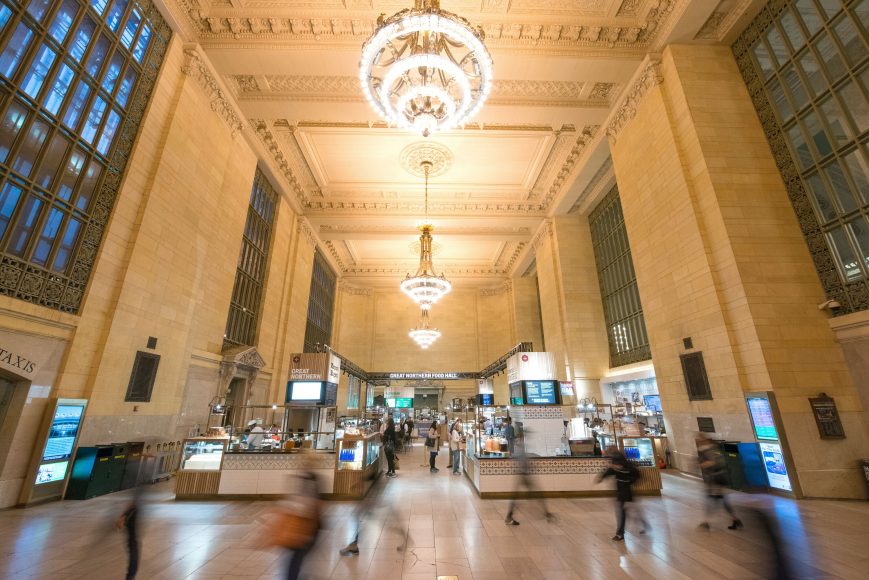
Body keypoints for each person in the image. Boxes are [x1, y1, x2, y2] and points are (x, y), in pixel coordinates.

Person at [596, 448, 648, 541]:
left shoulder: (627, 466)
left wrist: (628, 481)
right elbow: (609, 471)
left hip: (627, 491)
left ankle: (621, 533)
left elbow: (634, 475)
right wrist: (601, 477)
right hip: (621, 490)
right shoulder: (617, 464)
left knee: (626, 511)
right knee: (626, 511)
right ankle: (623, 532)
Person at [505, 432, 554, 526]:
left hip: (522, 474)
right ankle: (547, 514)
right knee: (538, 494)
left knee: (518, 496)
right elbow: (522, 460)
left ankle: (509, 516)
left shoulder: (518, 446)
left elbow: (521, 459)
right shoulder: (519, 446)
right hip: (524, 475)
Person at [696, 434, 743, 531]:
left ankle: (706, 522)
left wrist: (703, 465)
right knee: (722, 501)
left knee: (711, 501)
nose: (699, 442)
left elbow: (715, 462)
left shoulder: (710, 450)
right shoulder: (709, 449)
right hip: (715, 480)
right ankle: (735, 520)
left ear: (705, 440)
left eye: (700, 439)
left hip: (716, 480)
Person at [116, 485, 143, 579]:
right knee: (134, 562)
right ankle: (129, 577)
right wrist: (123, 519)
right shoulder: (132, 510)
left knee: (134, 563)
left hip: (133, 538)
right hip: (132, 539)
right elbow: (119, 525)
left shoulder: (133, 509)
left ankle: (130, 577)